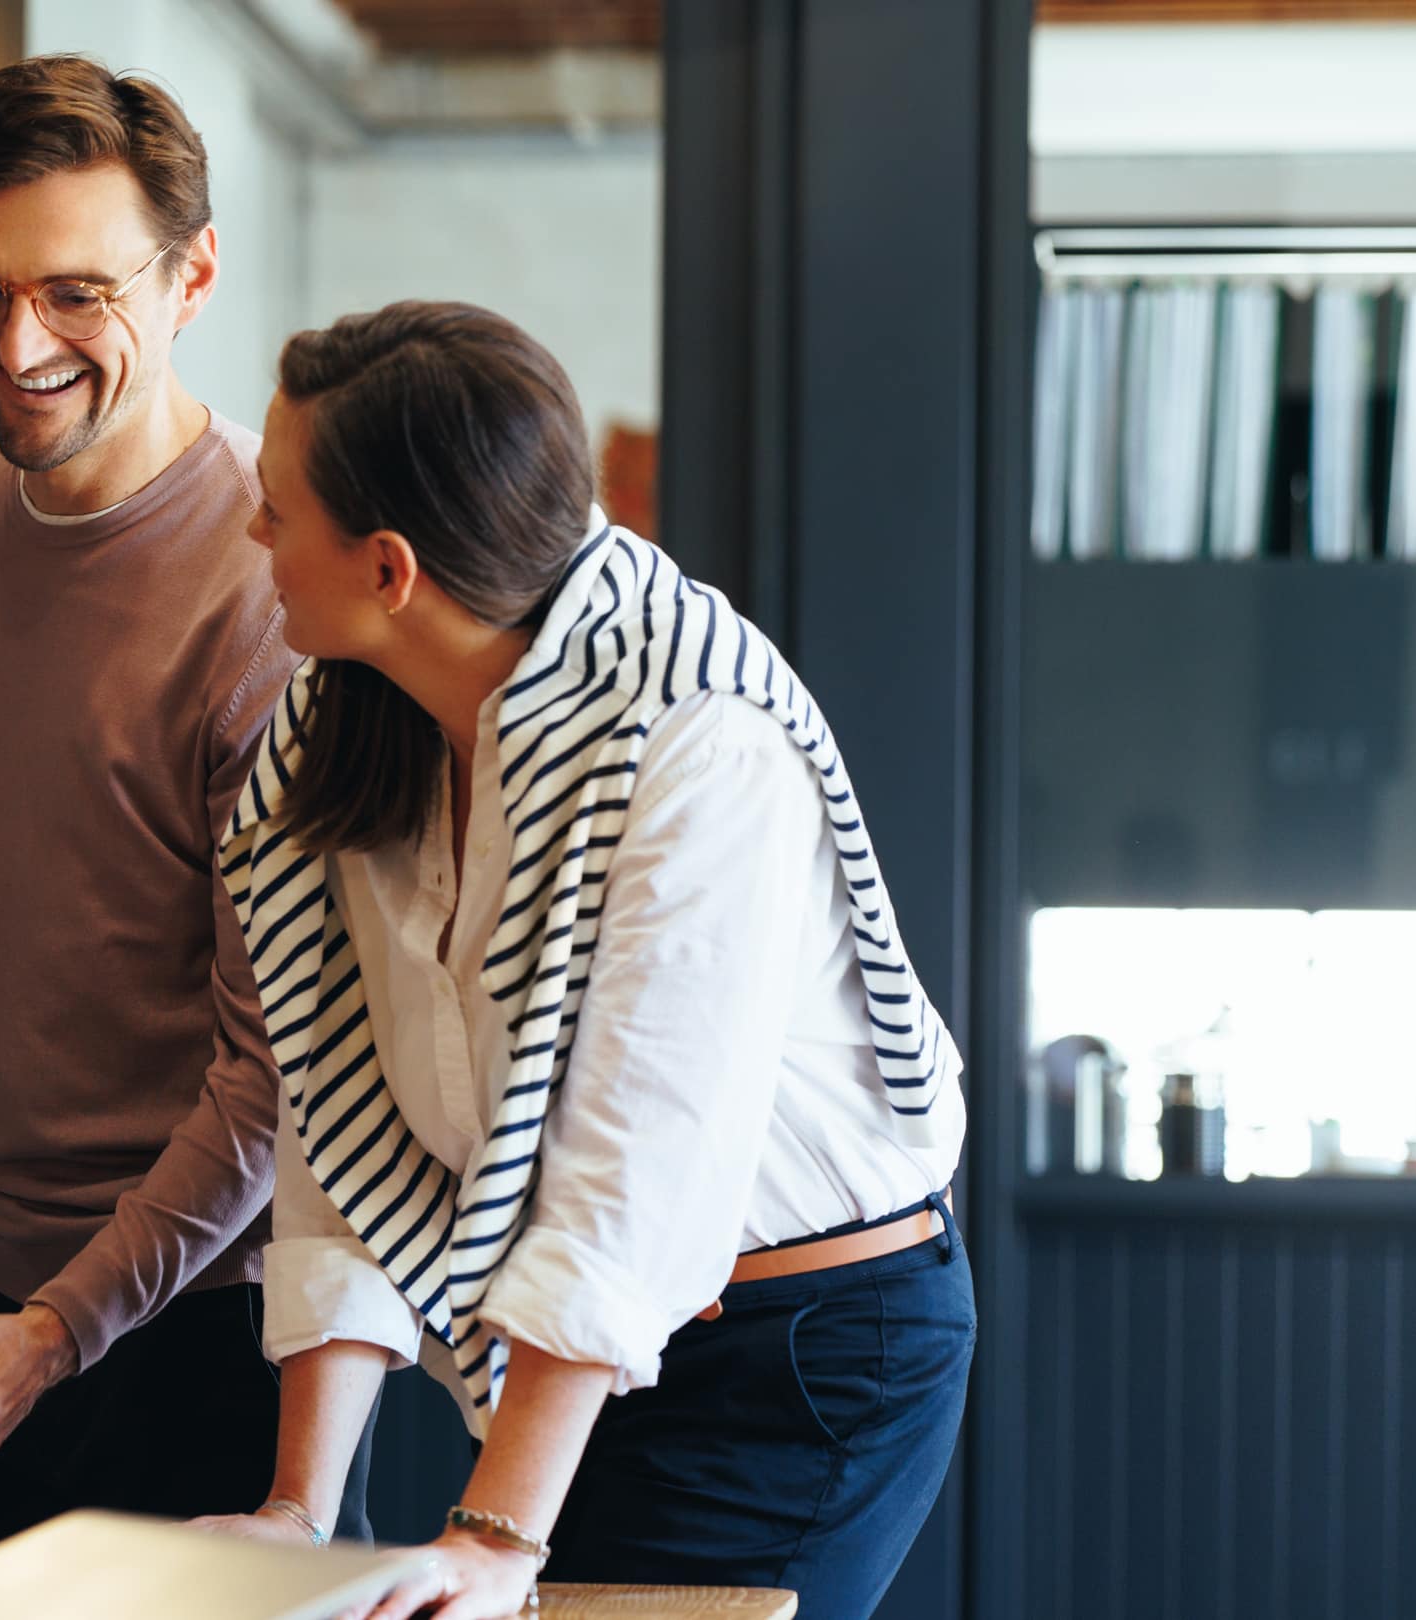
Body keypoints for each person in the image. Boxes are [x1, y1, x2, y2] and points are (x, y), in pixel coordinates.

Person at [194, 301, 973, 1620]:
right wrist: (299, 1509)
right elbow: (338, 1112)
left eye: (276, 508)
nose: (252, 534)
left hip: (804, 1357)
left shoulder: (698, 738)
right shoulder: (355, 720)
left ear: (390, 569)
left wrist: (497, 1533)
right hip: (588, 1357)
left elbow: (640, 1166)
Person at [0, 55, 369, 1552]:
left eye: (76, 292)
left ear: (194, 277)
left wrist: (62, 1322)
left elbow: (275, 1063)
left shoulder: (273, 587)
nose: (17, 340)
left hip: (201, 1324)